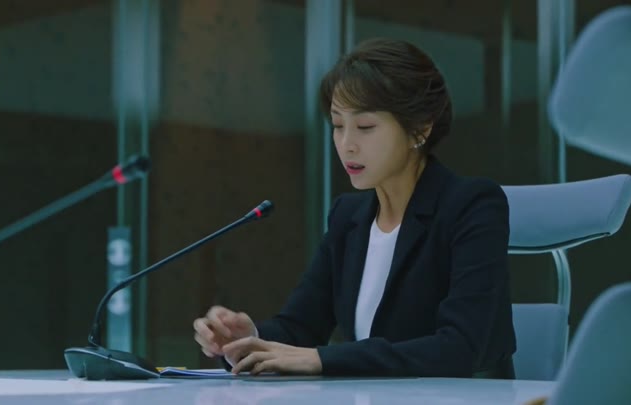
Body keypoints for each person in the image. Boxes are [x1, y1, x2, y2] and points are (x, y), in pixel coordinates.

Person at [193, 38, 516, 378]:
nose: (347, 144)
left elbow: (462, 347)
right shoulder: (348, 217)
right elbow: (301, 327)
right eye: (337, 125)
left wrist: (324, 359)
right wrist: (247, 340)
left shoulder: (471, 205)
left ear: (420, 128)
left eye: (365, 127)